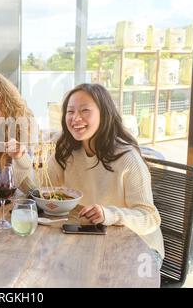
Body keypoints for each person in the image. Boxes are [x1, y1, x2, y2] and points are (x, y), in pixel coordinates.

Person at [45, 83, 164, 264]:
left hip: (141, 251)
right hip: (93, 239)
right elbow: (42, 192)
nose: (76, 118)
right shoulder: (66, 151)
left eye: (85, 110)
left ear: (104, 114)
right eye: (70, 111)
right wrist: (20, 159)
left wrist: (109, 214)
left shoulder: (127, 158)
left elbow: (150, 218)